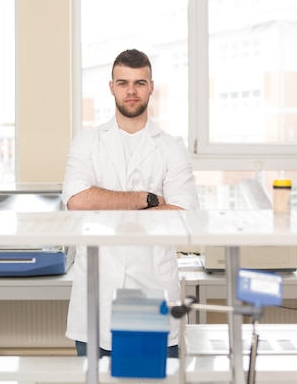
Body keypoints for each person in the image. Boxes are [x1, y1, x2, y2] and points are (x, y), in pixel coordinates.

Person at [62, 49, 198, 357]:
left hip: (152, 288)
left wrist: (105, 204)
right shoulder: (88, 141)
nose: (131, 91)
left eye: (139, 83)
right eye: (123, 83)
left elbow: (184, 215)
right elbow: (76, 200)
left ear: (151, 87)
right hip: (97, 293)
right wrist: (145, 200)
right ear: (111, 87)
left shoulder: (171, 147)